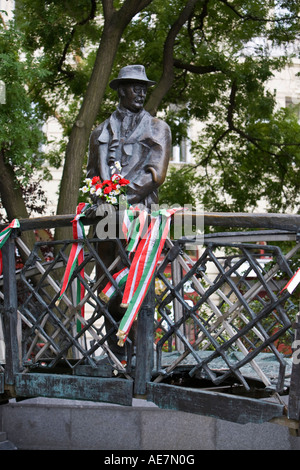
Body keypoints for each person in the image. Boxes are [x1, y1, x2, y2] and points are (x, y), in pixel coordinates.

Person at [86, 65, 171, 362]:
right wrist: (101, 197)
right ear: (121, 90)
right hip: (106, 224)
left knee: (137, 288)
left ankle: (140, 359)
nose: (141, 93)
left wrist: (121, 198)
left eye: (144, 88)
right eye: (135, 87)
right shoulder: (99, 131)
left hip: (139, 221)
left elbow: (155, 175)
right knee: (107, 288)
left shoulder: (157, 128)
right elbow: (92, 174)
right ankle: (114, 354)